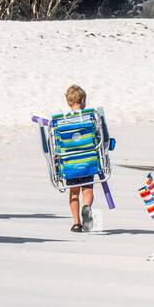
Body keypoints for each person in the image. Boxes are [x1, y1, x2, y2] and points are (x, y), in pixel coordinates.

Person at [63, 84, 96, 233]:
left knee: (74, 191)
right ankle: (87, 206)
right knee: (87, 188)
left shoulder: (62, 121)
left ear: (69, 102)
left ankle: (76, 223)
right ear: (82, 100)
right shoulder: (90, 117)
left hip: (70, 162)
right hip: (87, 159)